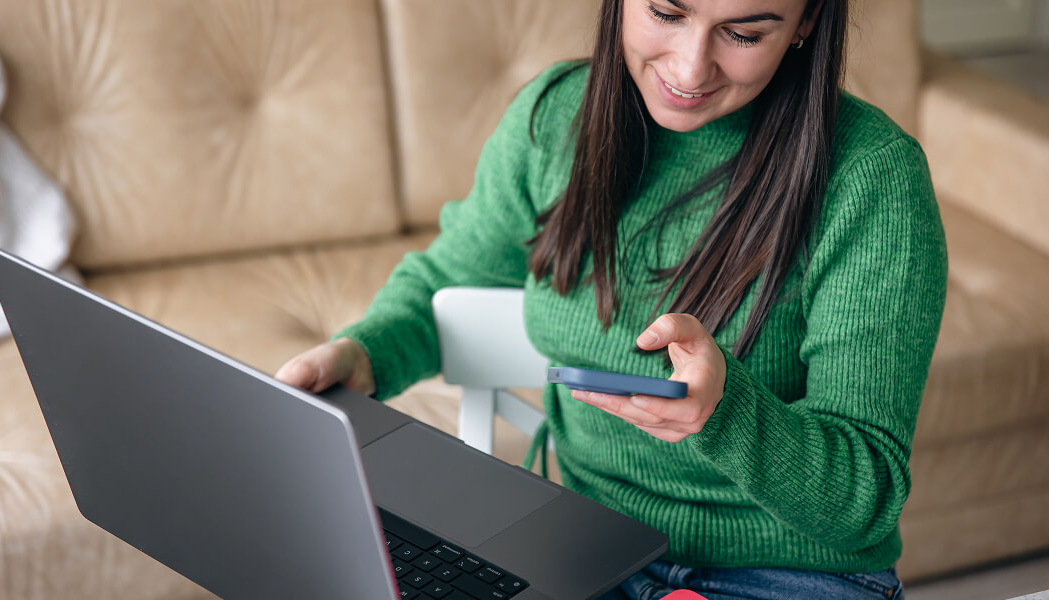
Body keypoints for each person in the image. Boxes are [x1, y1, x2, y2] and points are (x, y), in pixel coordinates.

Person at [276, 0, 947, 598]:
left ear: (805, 24)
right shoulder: (556, 116)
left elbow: (866, 495)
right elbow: (451, 279)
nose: (689, 69)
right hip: (584, 547)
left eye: (742, 33)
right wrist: (363, 355)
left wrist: (724, 413)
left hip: (785, 574)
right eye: (664, 12)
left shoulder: (872, 178)